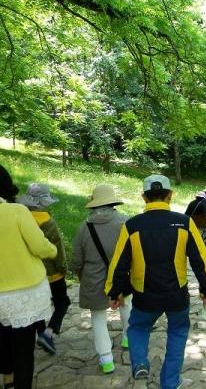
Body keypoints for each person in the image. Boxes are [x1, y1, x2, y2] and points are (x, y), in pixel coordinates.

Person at [105, 175, 206, 389]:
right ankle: (170, 383)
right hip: (177, 295)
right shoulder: (184, 222)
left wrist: (114, 291)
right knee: (178, 334)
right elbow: (200, 260)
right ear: (170, 195)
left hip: (145, 295)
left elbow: (119, 263)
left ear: (144, 197)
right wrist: (205, 289)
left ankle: (140, 362)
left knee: (137, 328)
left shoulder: (132, 225)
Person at [0, 165, 57, 389]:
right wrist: (52, 250)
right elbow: (40, 247)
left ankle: (8, 380)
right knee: (24, 351)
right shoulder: (16, 211)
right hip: (24, 294)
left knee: (3, 343)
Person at [71, 184, 131, 374]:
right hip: (121, 276)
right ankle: (128, 337)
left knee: (98, 317)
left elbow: (76, 258)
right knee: (126, 305)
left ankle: (106, 360)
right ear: (112, 202)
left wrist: (80, 274)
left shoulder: (84, 227)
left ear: (94, 204)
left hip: (93, 278)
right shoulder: (125, 223)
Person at [16, 184, 70, 356]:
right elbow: (58, 248)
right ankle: (48, 333)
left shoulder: (21, 218)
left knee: (39, 306)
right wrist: (63, 267)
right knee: (62, 302)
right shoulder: (48, 222)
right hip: (52, 272)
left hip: (30, 272)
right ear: (44, 202)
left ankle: (41, 335)